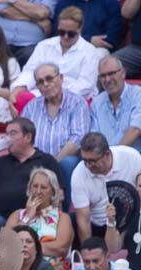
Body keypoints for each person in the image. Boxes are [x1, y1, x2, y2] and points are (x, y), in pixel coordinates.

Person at [0, 117, 60, 227]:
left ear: (28, 137)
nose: (7, 138)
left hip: (36, 216)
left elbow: (60, 194)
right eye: (6, 134)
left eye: (12, 134)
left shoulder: (47, 161)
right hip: (2, 217)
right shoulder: (0, 162)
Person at [20, 63, 90, 194]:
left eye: (49, 78)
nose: (46, 84)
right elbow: (22, 137)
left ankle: (63, 211)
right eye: (40, 82)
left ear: (61, 78)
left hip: (63, 162)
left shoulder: (77, 103)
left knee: (68, 163)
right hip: (35, 163)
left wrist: (52, 165)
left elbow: (77, 138)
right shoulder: (31, 107)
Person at [12, 7, 105, 103]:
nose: (65, 37)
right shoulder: (44, 46)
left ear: (80, 29)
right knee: (18, 98)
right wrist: (21, 86)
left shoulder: (90, 52)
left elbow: (85, 85)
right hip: (42, 93)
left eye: (71, 34)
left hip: (76, 98)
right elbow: (30, 71)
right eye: (61, 32)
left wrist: (56, 93)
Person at [70, 132, 141, 245]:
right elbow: (83, 220)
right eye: (85, 160)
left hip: (129, 220)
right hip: (98, 225)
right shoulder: (79, 174)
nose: (88, 165)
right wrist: (89, 249)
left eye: (93, 161)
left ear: (107, 154)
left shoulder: (131, 157)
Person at [4, 167, 73, 270]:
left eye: (44, 187)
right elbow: (7, 244)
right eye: (35, 186)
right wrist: (28, 217)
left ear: (53, 192)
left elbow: (61, 248)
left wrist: (25, 249)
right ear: (29, 189)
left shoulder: (63, 218)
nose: (38, 191)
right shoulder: (17, 215)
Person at [90, 56, 141, 150]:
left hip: (133, 157)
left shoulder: (138, 95)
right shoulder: (96, 102)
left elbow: (135, 130)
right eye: (103, 76)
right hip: (104, 160)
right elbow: (95, 138)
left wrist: (114, 156)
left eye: (111, 73)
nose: (107, 80)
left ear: (123, 73)